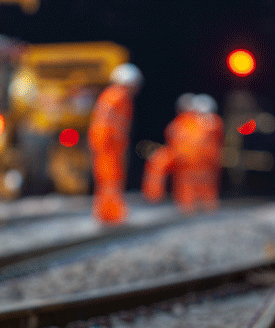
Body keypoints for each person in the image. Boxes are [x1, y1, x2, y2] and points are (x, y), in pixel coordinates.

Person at [144, 94, 223, 214]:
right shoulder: (194, 122)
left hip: (197, 162)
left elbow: (171, 134)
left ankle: (194, 207)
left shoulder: (199, 122)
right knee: (195, 188)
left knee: (197, 188)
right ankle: (156, 197)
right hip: (192, 161)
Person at [88, 63, 142, 224]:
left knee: (108, 179)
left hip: (108, 144)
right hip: (108, 145)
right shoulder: (117, 96)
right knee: (111, 178)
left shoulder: (113, 95)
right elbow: (109, 123)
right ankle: (111, 214)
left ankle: (107, 212)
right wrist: (112, 144)